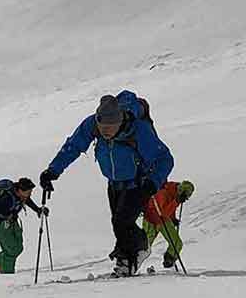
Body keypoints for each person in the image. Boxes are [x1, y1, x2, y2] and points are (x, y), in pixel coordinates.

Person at [38, 91, 174, 277]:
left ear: (120, 122)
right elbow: (73, 147)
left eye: (110, 128)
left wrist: (153, 182)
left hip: (139, 182)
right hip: (114, 182)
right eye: (103, 128)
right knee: (118, 224)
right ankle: (125, 260)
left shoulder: (138, 129)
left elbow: (165, 158)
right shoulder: (91, 125)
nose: (105, 132)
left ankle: (138, 250)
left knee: (122, 222)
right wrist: (52, 171)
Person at [0, 178, 48, 274]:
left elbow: (27, 201)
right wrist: (2, 215)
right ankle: (7, 273)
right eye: (29, 191)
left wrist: (38, 210)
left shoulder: (20, 195)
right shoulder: (7, 198)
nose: (30, 193)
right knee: (12, 250)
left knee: (18, 248)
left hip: (13, 221)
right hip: (2, 224)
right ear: (20, 190)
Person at [142, 180, 194, 268]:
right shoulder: (163, 193)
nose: (185, 199)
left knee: (177, 243)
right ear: (181, 191)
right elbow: (162, 213)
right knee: (144, 247)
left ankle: (169, 260)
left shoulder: (175, 194)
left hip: (164, 220)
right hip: (151, 220)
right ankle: (130, 263)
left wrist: (173, 218)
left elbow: (169, 209)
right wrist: (176, 201)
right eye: (185, 197)